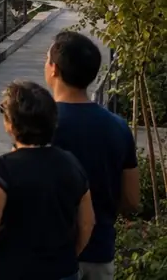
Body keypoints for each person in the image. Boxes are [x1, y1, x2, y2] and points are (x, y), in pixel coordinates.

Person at [0, 81, 95, 280]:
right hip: (62, 271)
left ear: (11, 125)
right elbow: (87, 222)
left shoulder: (3, 168)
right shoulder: (70, 162)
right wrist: (69, 257)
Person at [45, 31, 140, 280]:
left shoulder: (40, 127)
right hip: (100, 251)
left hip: (50, 255)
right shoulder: (118, 126)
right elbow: (132, 199)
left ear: (54, 69)